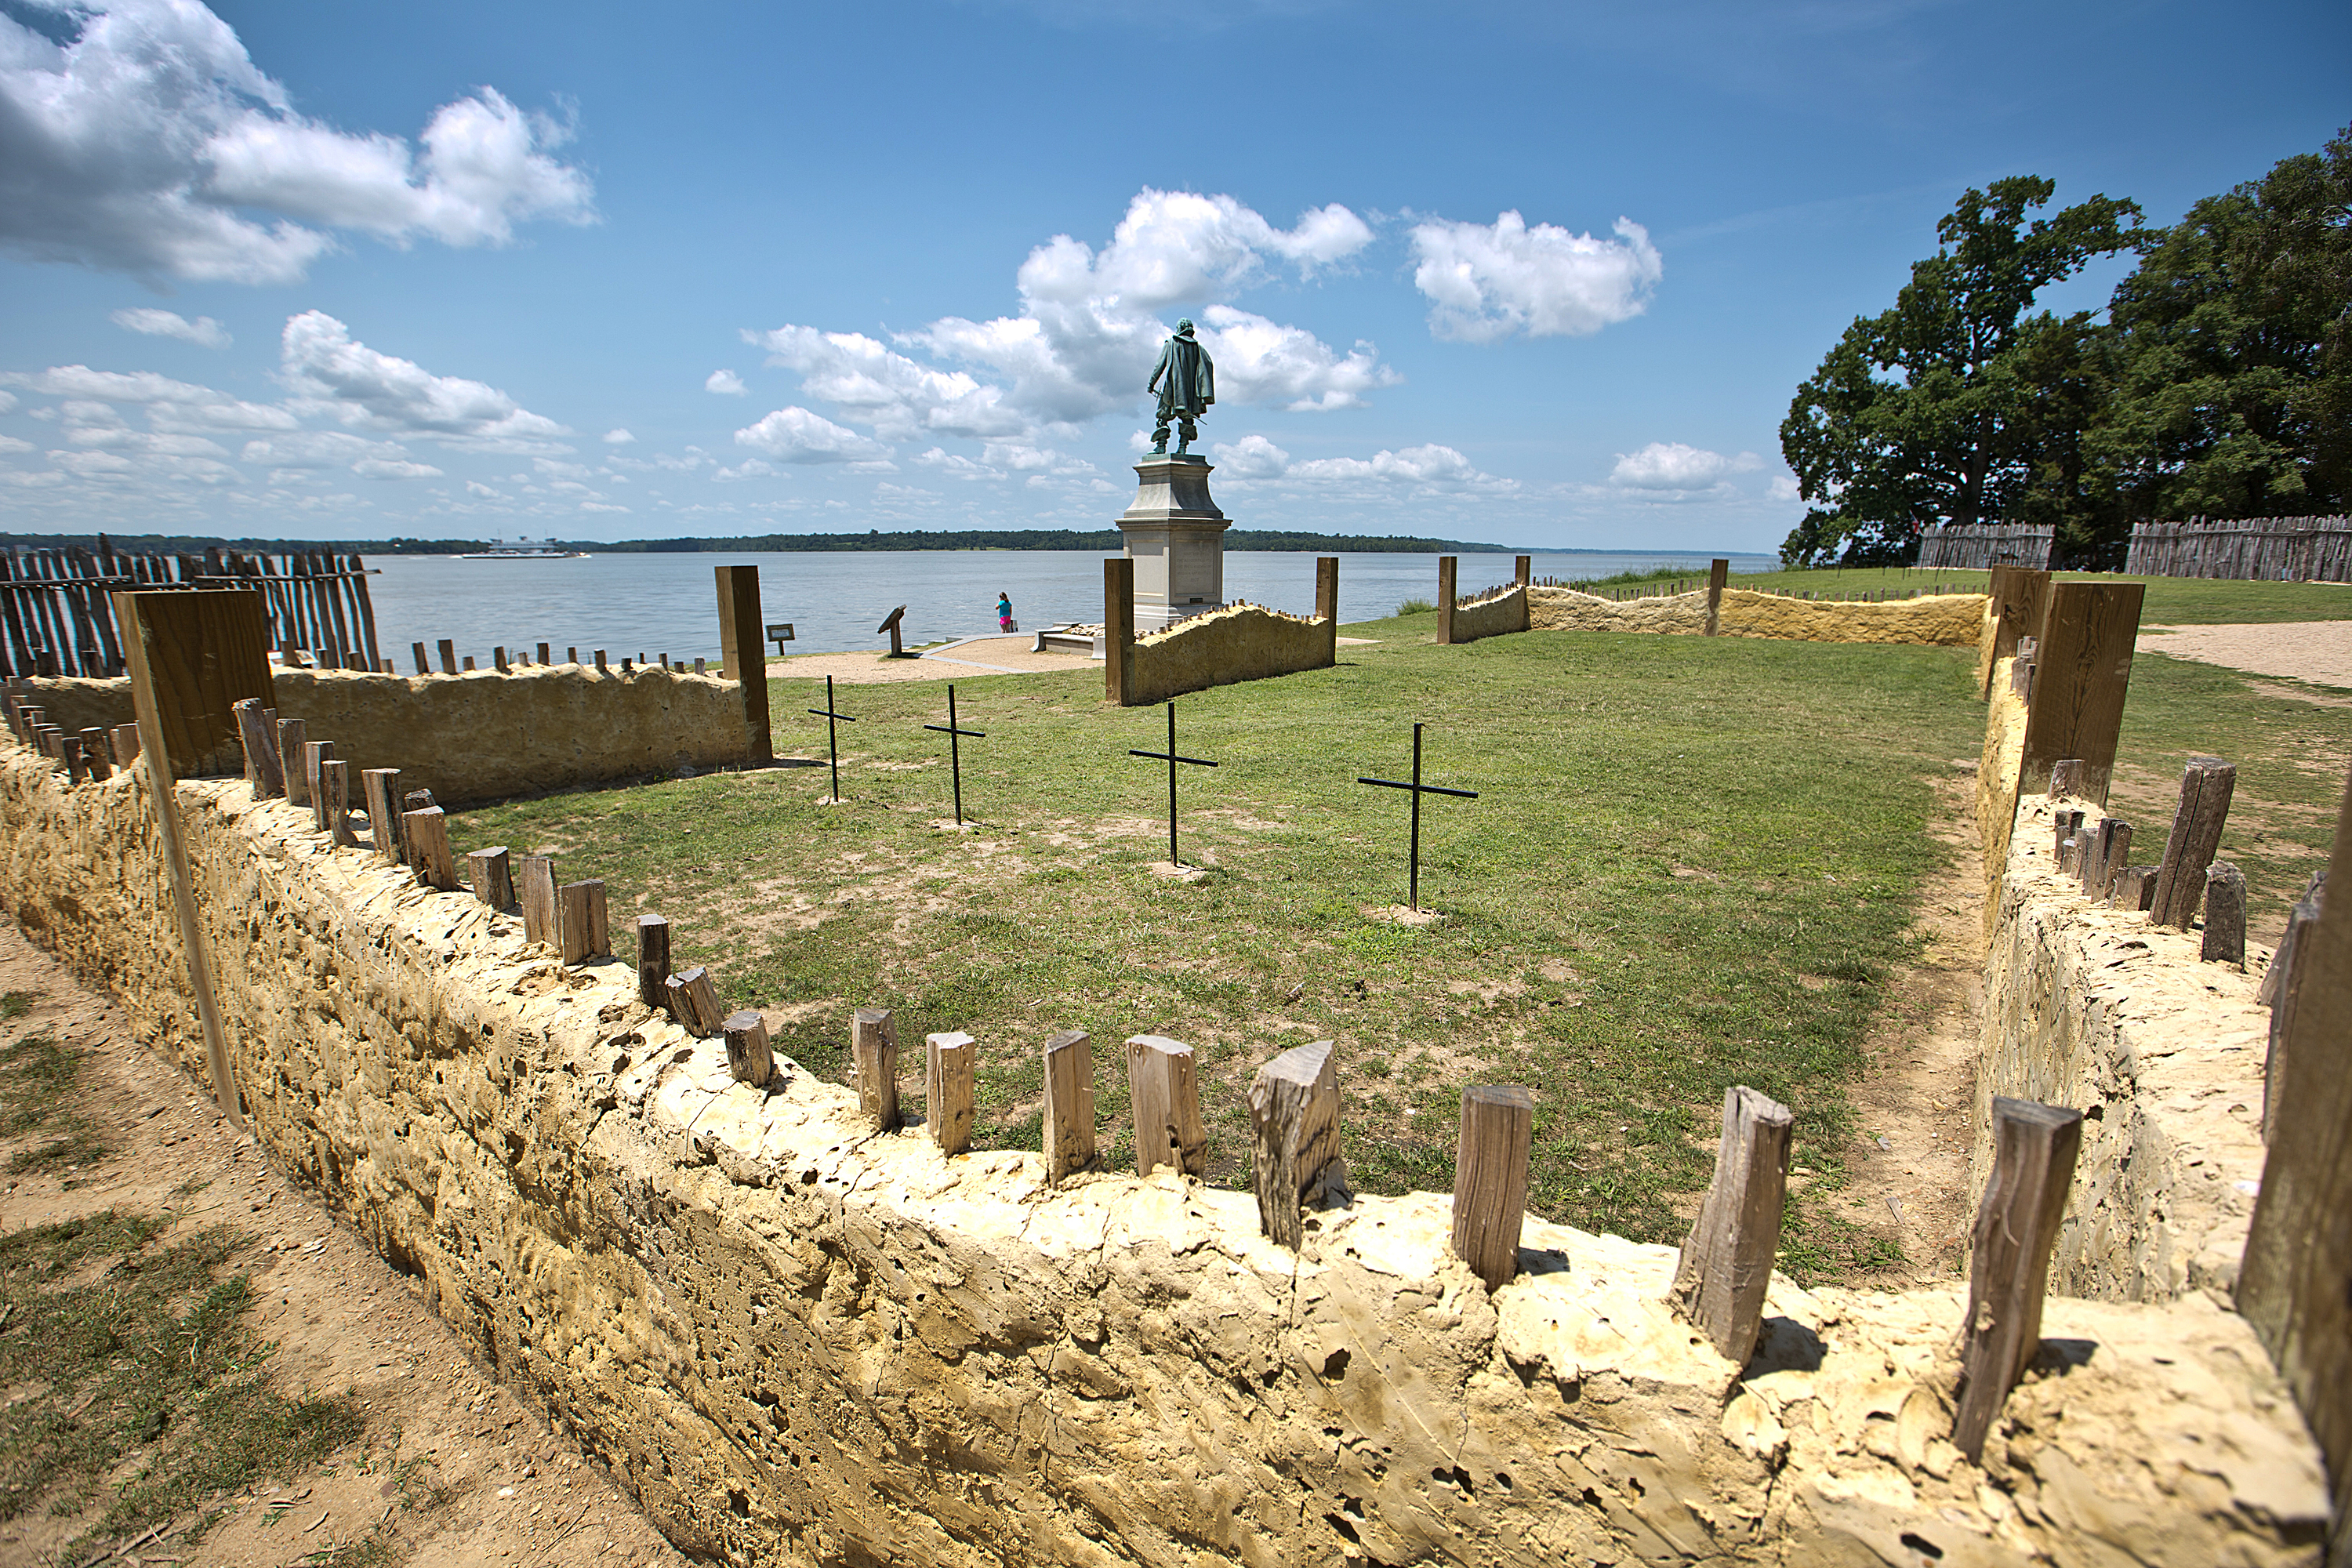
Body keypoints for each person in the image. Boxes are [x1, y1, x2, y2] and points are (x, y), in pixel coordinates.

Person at [1147, 318, 1215, 456]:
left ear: (1179, 328)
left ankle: (1161, 446)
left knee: (1162, 416)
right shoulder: (1199, 348)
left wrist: (1151, 383)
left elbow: (1159, 365)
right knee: (1187, 418)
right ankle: (1182, 447)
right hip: (1191, 393)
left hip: (1173, 390)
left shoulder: (1171, 343)